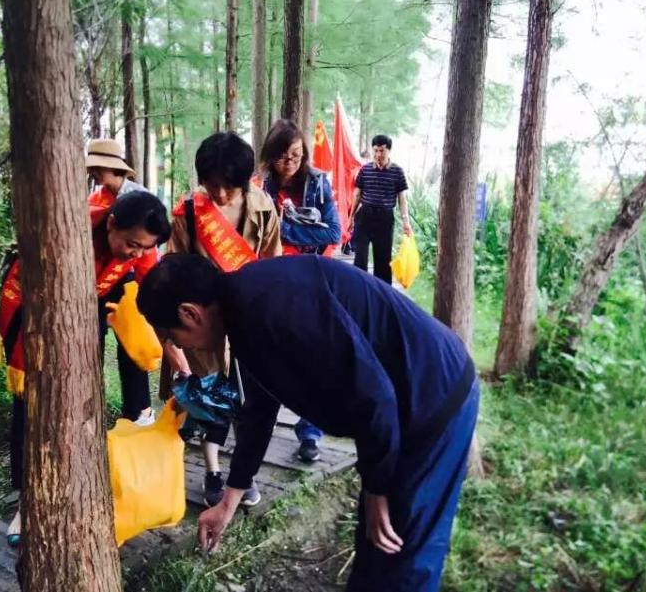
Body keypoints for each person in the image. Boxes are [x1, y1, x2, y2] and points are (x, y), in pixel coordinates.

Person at [138, 254, 479, 592]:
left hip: (433, 396)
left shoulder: (271, 306)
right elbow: (259, 411)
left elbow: (375, 397)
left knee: (402, 552)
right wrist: (228, 503)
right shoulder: (244, 311)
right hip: (397, 408)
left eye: (171, 336)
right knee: (375, 544)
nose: (176, 346)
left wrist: (377, 490)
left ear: (190, 313)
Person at [0, 139, 172, 546]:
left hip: (90, 313)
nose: (135, 253)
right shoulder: (70, 232)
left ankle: (81, 481)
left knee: (82, 397)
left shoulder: (139, 246)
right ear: (111, 224)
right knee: (31, 407)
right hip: (40, 317)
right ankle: (25, 502)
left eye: (143, 248)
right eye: (131, 244)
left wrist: (174, 349)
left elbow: (151, 294)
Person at [162, 131, 281, 508]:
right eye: (211, 185)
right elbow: (173, 268)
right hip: (204, 325)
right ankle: (213, 470)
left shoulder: (263, 207)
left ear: (244, 181)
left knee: (250, 400)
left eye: (229, 186)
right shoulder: (188, 212)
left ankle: (243, 475)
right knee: (212, 395)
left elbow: (272, 263)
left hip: (249, 318)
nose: (220, 194)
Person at [259, 119, 340, 462]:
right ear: (270, 157)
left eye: (296, 154)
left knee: (314, 356)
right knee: (273, 354)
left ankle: (310, 432)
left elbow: (333, 232)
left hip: (311, 279)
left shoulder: (318, 184)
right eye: (282, 156)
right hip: (274, 282)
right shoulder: (261, 189)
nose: (290, 161)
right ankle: (259, 429)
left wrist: (285, 230)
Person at [349, 135, 412, 284]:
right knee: (360, 257)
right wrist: (351, 218)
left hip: (385, 219)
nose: (378, 154)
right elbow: (357, 195)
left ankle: (382, 292)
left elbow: (402, 199)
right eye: (375, 150)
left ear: (389, 151)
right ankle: (359, 289)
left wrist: (406, 222)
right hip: (364, 217)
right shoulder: (365, 170)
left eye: (382, 151)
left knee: (383, 259)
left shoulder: (397, 172)